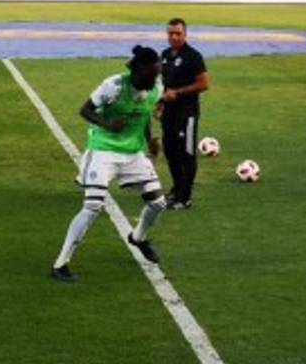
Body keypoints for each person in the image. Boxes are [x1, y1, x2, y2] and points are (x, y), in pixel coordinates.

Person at [52, 46, 167, 283]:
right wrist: (106, 124)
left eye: (158, 73)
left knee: (158, 203)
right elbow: (84, 110)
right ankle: (61, 264)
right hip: (103, 150)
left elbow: (144, 116)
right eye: (152, 73)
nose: (156, 78)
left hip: (133, 153)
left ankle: (138, 237)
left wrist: (150, 144)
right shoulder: (113, 85)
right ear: (140, 70)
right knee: (93, 206)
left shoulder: (156, 88)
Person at [159, 18, 210, 209]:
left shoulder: (193, 56)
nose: (173, 37)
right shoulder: (164, 55)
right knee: (171, 152)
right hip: (169, 113)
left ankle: (185, 197)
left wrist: (178, 93)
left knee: (186, 154)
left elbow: (204, 84)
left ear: (185, 34)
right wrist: (161, 104)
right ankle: (177, 188)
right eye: (170, 33)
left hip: (186, 114)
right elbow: (164, 84)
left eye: (177, 33)